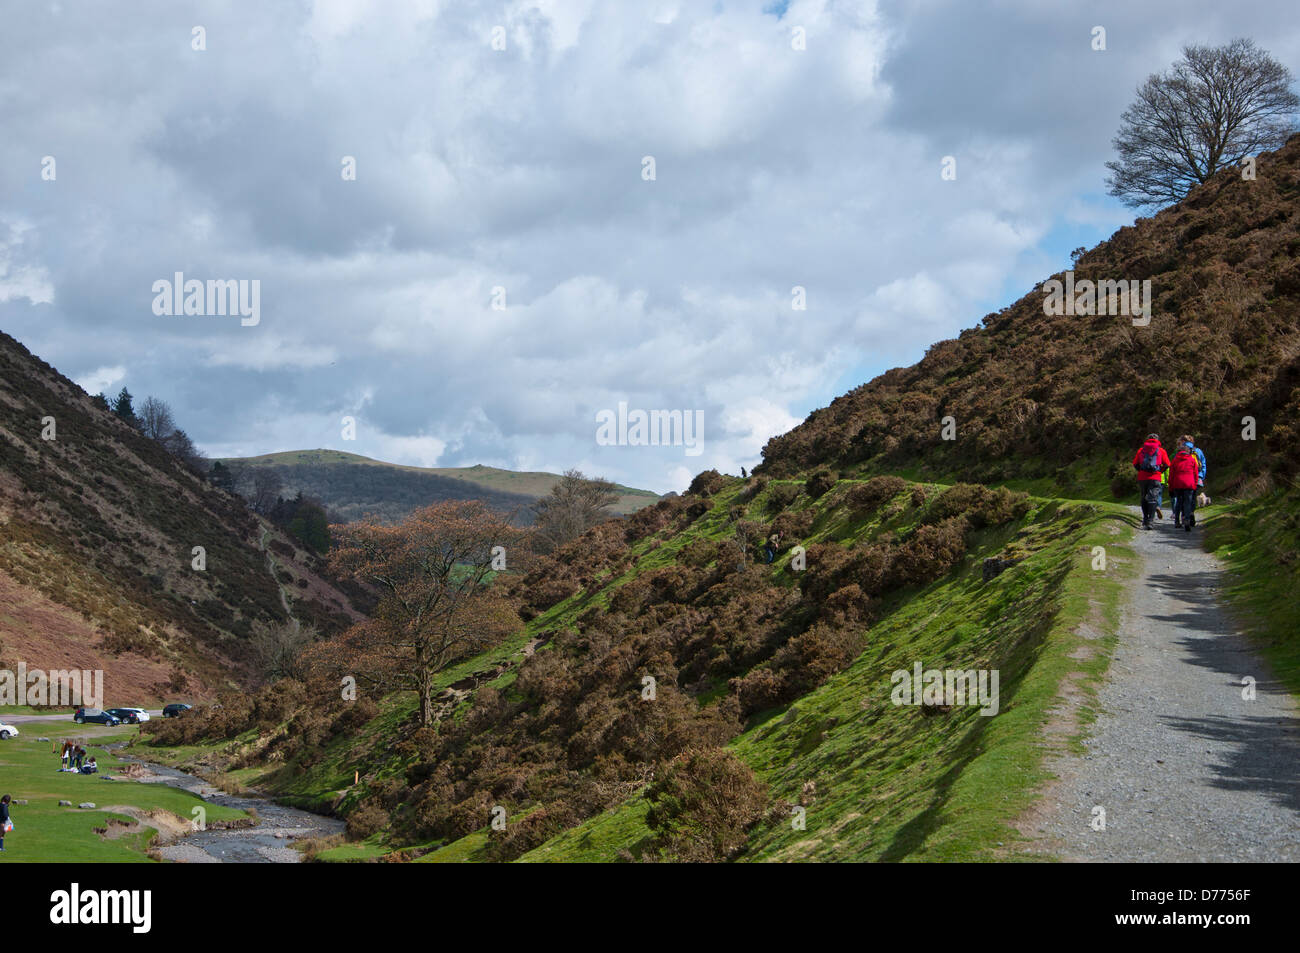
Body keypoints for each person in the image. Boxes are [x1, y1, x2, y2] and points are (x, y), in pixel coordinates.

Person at [1132, 433, 1170, 530]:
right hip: (1155, 477)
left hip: (1142, 477)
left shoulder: (1141, 450)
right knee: (1153, 498)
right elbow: (1167, 464)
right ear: (1158, 440)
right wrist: (1159, 471)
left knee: (1144, 496)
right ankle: (1151, 521)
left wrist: (1141, 470)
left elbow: (1135, 463)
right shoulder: (1161, 450)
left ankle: (1145, 519)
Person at [1169, 440, 1201, 531]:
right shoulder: (1191, 459)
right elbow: (1196, 474)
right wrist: (1195, 485)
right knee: (1187, 502)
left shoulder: (1175, 460)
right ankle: (1187, 520)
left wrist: (1170, 487)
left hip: (1177, 484)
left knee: (1179, 502)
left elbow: (1171, 475)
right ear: (1188, 451)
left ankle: (1177, 521)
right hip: (1189, 484)